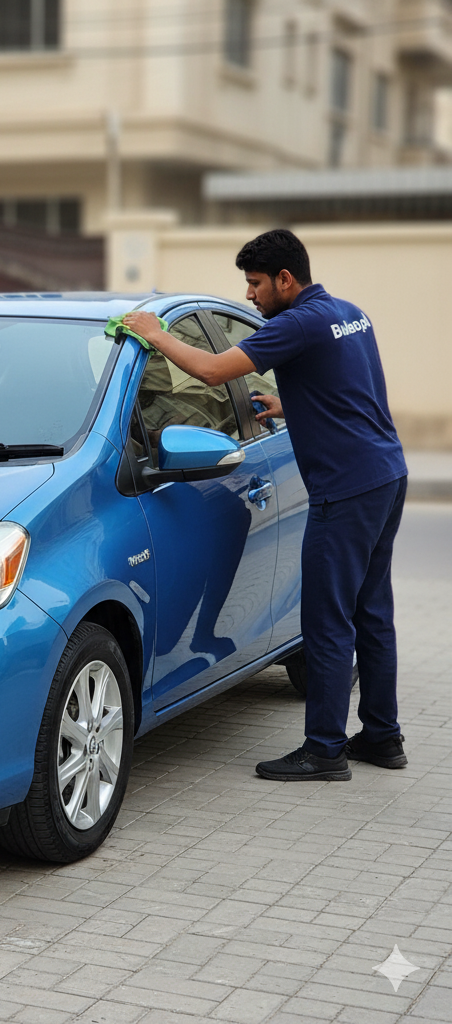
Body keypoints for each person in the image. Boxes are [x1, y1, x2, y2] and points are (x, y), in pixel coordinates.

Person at [122, 228, 408, 782]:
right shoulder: (349, 312)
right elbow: (350, 387)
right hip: (386, 474)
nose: (250, 296)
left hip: (346, 490)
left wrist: (155, 334)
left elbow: (208, 371)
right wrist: (291, 403)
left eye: (255, 284)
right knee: (373, 614)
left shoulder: (296, 322)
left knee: (327, 622)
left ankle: (324, 749)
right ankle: (382, 736)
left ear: (285, 279)